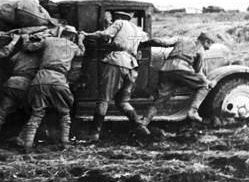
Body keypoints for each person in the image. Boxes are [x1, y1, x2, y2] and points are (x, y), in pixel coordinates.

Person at [81, 11, 150, 141]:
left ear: (118, 17)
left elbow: (106, 34)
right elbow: (146, 39)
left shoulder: (119, 23)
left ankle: (93, 134)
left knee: (104, 99)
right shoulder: (138, 29)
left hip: (116, 61)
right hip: (132, 65)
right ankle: (142, 128)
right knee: (123, 101)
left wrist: (88, 34)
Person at [18, 26, 85, 153]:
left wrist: (25, 38)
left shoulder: (49, 41)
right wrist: (81, 39)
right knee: (64, 113)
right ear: (72, 36)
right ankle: (65, 143)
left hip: (41, 79)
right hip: (59, 80)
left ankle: (27, 145)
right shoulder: (72, 46)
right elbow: (82, 52)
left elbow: (28, 48)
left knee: (37, 113)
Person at [142, 32, 217, 125]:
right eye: (209, 45)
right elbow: (198, 71)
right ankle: (193, 111)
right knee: (204, 86)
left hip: (165, 70)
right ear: (206, 41)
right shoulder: (200, 49)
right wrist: (208, 82)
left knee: (159, 100)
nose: (208, 48)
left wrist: (144, 42)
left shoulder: (181, 39)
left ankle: (144, 122)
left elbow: (161, 42)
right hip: (182, 70)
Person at [0, 35, 42, 147]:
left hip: (11, 83)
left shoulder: (18, 54)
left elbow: (11, 64)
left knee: (2, 114)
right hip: (26, 85)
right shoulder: (40, 55)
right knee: (33, 113)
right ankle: (22, 139)